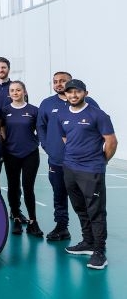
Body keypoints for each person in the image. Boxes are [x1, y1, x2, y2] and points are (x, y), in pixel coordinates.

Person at [60, 79, 117, 270]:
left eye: (77, 92)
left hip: (91, 170)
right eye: (70, 92)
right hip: (69, 168)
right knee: (79, 207)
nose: (73, 95)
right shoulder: (62, 114)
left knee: (96, 211)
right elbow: (66, 137)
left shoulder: (98, 115)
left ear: (85, 93)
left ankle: (99, 251)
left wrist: (102, 161)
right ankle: (88, 242)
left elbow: (111, 142)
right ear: (65, 95)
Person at [37, 71, 99, 241]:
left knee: (86, 198)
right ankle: (62, 227)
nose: (58, 84)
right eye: (55, 81)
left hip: (82, 162)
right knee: (59, 195)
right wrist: (46, 145)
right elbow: (40, 126)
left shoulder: (89, 103)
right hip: (57, 160)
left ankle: (91, 234)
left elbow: (99, 126)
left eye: (63, 81)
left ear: (72, 83)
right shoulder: (47, 103)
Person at [0, 81, 43, 237]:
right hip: (11, 153)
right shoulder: (5, 110)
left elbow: (40, 130)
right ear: (9, 93)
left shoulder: (34, 110)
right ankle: (17, 217)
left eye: (18, 90)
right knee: (13, 186)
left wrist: (34, 142)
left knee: (28, 187)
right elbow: (1, 127)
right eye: (12, 90)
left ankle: (33, 221)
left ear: (24, 92)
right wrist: (7, 140)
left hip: (30, 153)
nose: (15, 92)